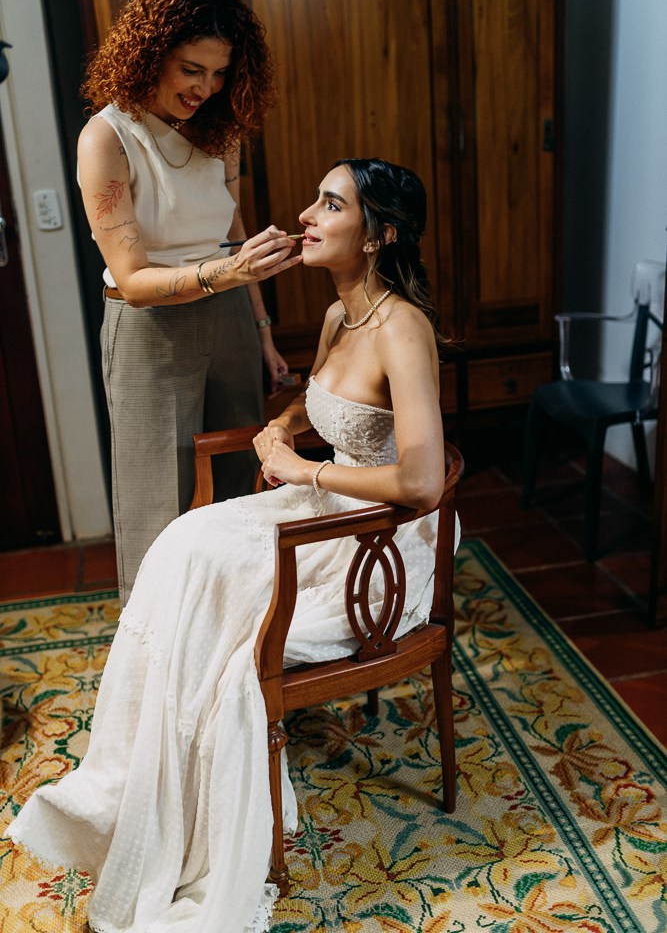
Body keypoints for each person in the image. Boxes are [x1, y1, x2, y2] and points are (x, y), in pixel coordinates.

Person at [7, 158, 459, 933]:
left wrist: (303, 470)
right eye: (313, 200)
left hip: (373, 548)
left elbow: (420, 483)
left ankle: (189, 828)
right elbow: (330, 403)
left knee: (222, 643)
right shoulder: (338, 316)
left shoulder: (403, 328)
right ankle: (122, 788)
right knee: (183, 546)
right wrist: (284, 422)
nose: (305, 216)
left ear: (377, 235)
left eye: (329, 205)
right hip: (321, 511)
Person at [78, 0, 301, 604]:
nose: (205, 88)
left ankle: (236, 634)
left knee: (239, 485)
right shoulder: (107, 138)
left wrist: (261, 331)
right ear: (150, 55)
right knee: (160, 503)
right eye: (190, 69)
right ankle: (155, 649)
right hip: (149, 327)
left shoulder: (218, 129)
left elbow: (230, 227)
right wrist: (229, 272)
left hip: (229, 316)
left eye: (219, 72)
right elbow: (133, 279)